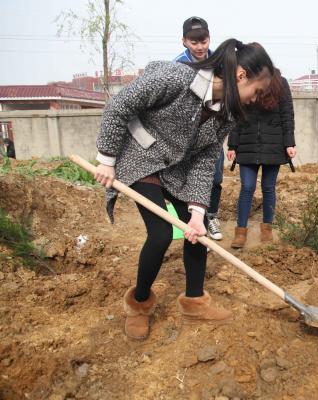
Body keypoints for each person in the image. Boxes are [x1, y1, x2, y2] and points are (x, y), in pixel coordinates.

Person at [94, 39, 274, 340]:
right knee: (162, 232)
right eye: (256, 91)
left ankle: (194, 302)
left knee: (198, 232)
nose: (255, 100)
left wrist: (197, 211)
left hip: (176, 168)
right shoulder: (175, 77)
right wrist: (107, 160)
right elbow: (120, 105)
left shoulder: (226, 113)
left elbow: (205, 160)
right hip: (141, 157)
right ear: (241, 75)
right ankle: (139, 304)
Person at [227, 67, 296, 249]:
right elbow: (236, 116)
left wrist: (289, 142)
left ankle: (267, 229)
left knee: (268, 187)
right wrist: (232, 145)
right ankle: (240, 231)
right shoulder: (245, 82)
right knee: (247, 187)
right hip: (248, 143)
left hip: (273, 143)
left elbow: (287, 114)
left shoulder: (280, 82)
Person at [174, 17, 224, 241]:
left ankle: (210, 216)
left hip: (212, 131)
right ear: (184, 41)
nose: (200, 47)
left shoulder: (219, 63)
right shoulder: (177, 65)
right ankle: (190, 222)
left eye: (203, 41)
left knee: (214, 177)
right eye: (194, 42)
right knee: (186, 177)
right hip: (185, 135)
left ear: (209, 39)